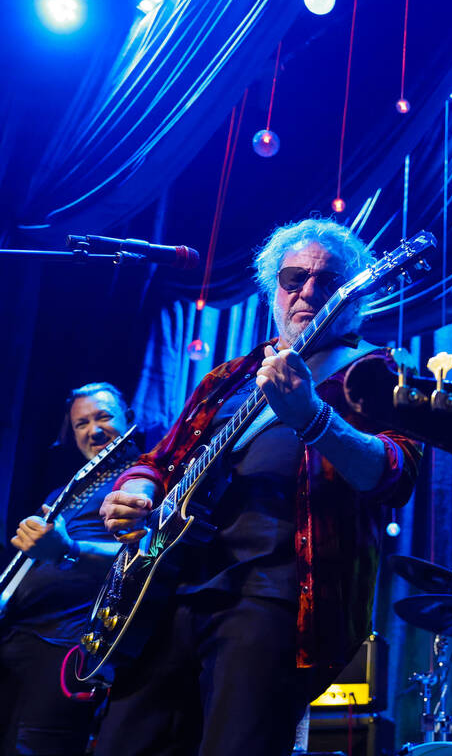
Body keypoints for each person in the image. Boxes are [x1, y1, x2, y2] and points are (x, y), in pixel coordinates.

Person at [94, 219, 422, 756]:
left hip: (275, 599)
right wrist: (136, 490)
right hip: (167, 593)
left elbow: (394, 472)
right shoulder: (228, 376)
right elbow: (160, 459)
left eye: (329, 281)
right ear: (274, 286)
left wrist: (314, 418)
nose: (309, 291)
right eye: (295, 277)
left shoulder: (377, 372)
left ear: (354, 293)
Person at [0, 382, 134, 755]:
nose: (93, 430)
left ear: (130, 419)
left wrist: (69, 549)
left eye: (103, 417)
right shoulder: (60, 493)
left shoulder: (142, 480)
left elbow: (144, 557)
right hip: (17, 632)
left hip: (66, 644)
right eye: (81, 423)